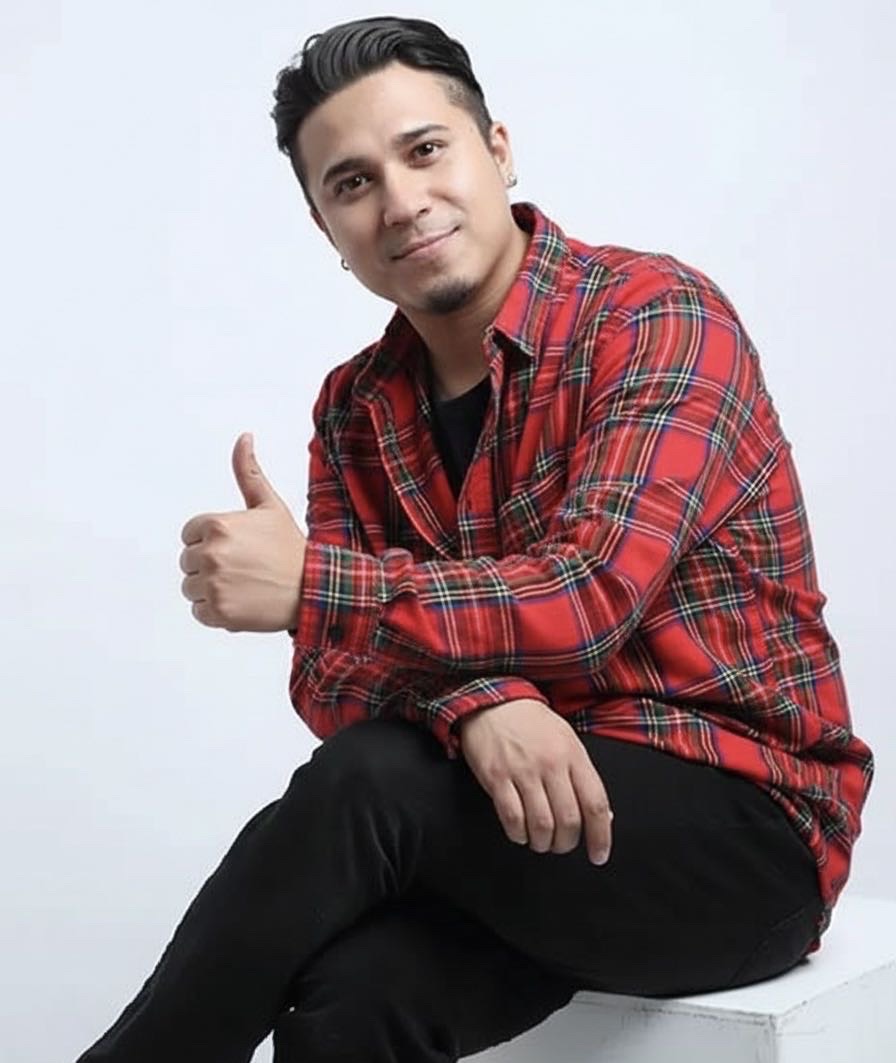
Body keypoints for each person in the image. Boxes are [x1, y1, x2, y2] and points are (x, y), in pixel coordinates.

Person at [75, 14, 874, 1063]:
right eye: (352, 183)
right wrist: (478, 700)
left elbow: (587, 595)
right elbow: (331, 676)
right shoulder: (356, 406)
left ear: (497, 149)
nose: (401, 201)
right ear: (324, 226)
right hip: (512, 820)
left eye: (424, 150)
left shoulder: (654, 316)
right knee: (350, 999)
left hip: (742, 830)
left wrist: (316, 582)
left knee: (372, 776)